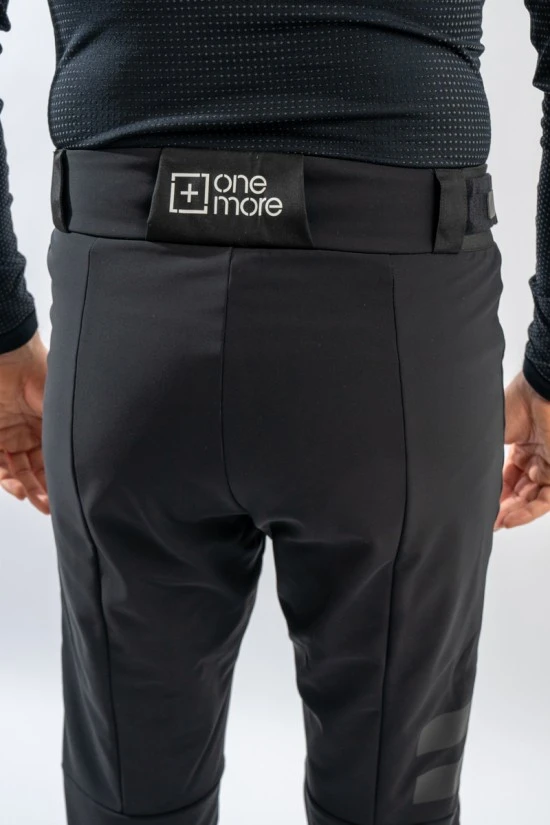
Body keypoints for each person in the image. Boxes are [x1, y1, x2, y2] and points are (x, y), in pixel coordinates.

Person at [0, 2, 548, 824]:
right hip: (399, 321)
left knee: (127, 799)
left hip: (126, 314)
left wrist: (2, 332)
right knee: (395, 800)